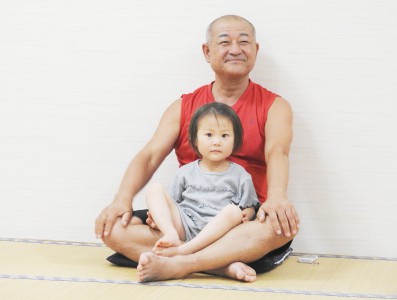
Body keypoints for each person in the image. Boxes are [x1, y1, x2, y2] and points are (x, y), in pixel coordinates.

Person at [95, 14, 300, 283]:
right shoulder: (182, 106)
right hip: (187, 218)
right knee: (114, 230)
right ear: (207, 51)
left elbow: (278, 152)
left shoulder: (275, 106)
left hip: (240, 222)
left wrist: (277, 197)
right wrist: (122, 198)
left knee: (279, 228)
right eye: (225, 42)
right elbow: (149, 156)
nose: (236, 49)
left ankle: (180, 263)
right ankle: (216, 265)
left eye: (244, 42)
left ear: (256, 50)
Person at [146, 102, 260, 258]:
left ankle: (184, 250)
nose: (216, 142)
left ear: (235, 140)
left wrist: (248, 213)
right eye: (209, 135)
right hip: (185, 226)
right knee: (155, 188)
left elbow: (250, 206)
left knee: (234, 211)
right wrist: (159, 218)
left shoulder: (241, 175)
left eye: (224, 135)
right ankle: (171, 235)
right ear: (195, 139)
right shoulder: (185, 172)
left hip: (218, 233)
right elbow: (170, 202)